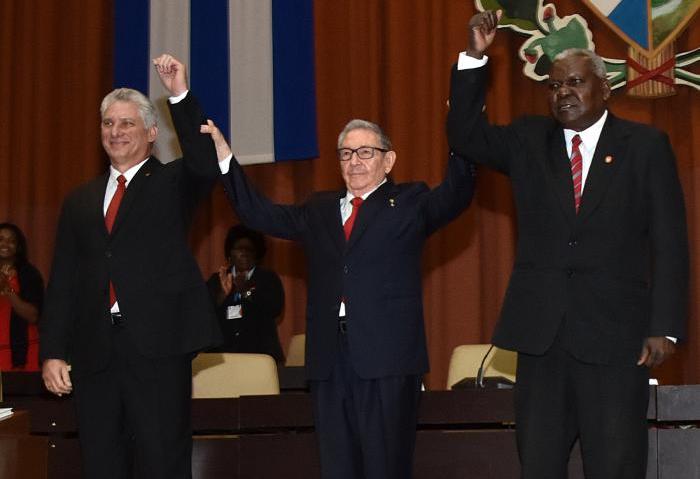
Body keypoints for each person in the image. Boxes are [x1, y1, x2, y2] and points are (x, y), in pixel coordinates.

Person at [156, 52, 475, 479]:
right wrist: (226, 158)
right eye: (346, 154)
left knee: (386, 468)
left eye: (365, 152)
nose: (354, 162)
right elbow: (258, 213)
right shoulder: (319, 209)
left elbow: (457, 190)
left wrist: (463, 125)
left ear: (389, 160)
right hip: (329, 363)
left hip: (387, 360)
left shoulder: (410, 203)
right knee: (337, 467)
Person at [446, 10, 689, 478]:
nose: (563, 94)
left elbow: (670, 242)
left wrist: (667, 327)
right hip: (542, 339)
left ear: (604, 88)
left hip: (618, 340)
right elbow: (465, 135)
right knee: (538, 465)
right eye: (555, 86)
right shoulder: (528, 141)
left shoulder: (645, 146)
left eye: (575, 82)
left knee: (615, 465)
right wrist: (475, 57)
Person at [39, 55, 222, 478]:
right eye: (108, 123)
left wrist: (179, 93)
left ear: (152, 133)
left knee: (162, 459)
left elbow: (203, 161)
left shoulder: (173, 183)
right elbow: (63, 280)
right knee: (101, 461)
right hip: (94, 352)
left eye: (127, 124)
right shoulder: (79, 200)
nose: (116, 132)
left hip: (158, 347)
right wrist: (52, 351)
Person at [207, 224, 285, 362]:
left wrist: (246, 291)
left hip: (260, 356)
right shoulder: (217, 280)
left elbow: (275, 309)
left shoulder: (268, 278)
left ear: (257, 254)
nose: (244, 253)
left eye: (249, 249)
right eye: (239, 249)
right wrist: (222, 297)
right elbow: (204, 313)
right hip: (223, 357)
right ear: (229, 254)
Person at [0, 222, 43, 371]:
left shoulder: (29, 274)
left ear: (18, 247)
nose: (5, 244)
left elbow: (33, 316)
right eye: (1, 239)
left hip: (21, 355)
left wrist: (8, 289)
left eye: (11, 241)